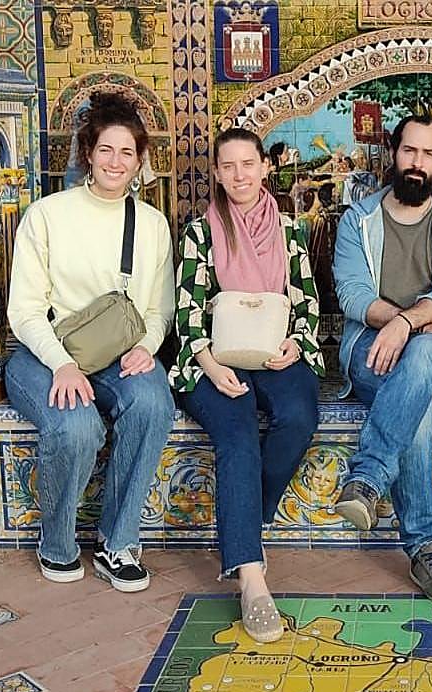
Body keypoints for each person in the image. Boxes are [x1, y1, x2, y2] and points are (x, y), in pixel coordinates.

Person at [6, 91, 175, 593]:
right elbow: (25, 310)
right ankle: (56, 543)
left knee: (152, 404)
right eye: (106, 150)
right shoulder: (47, 215)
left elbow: (157, 308)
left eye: (127, 152)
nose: (116, 162)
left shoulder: (150, 224)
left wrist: (148, 344)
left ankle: (117, 543)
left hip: (117, 352)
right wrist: (62, 365)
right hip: (44, 353)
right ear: (88, 154)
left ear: (140, 160)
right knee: (77, 427)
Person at [170, 128, 323, 644]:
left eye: (248, 164)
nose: (239, 175)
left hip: (275, 352)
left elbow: (306, 302)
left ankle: (244, 528)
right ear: (216, 172)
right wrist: (210, 364)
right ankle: (252, 580)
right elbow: (187, 310)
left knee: (299, 416)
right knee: (235, 434)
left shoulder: (289, 231)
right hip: (212, 358)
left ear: (264, 168)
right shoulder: (200, 233)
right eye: (228, 166)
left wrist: (296, 345)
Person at [331, 114, 432, 604]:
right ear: (393, 153)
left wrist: (406, 325)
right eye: (409, 151)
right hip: (371, 353)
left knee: (420, 355)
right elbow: (352, 294)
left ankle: (368, 477)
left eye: (429, 154)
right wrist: (411, 321)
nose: (418, 163)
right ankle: (425, 550)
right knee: (416, 403)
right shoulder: (358, 220)